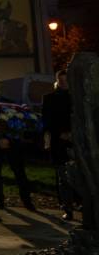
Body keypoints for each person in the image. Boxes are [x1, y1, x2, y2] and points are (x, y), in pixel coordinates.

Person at [0, 77, 35, 211]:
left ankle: (27, 201)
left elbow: (16, 124)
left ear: (0, 85)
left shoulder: (11, 104)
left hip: (12, 143)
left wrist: (7, 138)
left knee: (19, 172)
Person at [41, 69, 76, 221]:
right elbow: (47, 121)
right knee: (63, 176)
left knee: (79, 175)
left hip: (78, 141)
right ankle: (67, 207)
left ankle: (80, 203)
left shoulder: (78, 96)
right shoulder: (49, 98)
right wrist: (59, 133)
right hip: (59, 141)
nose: (63, 83)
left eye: (66, 80)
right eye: (61, 80)